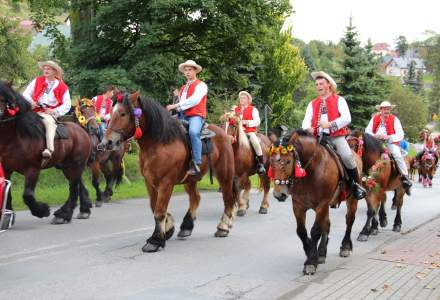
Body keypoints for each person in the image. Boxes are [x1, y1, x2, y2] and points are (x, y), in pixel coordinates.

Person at [302, 71, 366, 200]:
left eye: (321, 83)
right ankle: (298, 185)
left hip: (336, 137)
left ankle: (355, 186)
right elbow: (306, 120)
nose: (318, 86)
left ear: (329, 85)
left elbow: (347, 118)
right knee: (302, 155)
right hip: (317, 137)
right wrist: (306, 128)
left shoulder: (339, 100)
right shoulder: (312, 103)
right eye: (317, 84)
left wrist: (330, 125)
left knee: (347, 156)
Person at [22, 61, 71, 163]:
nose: (45, 70)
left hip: (49, 113)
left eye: (48, 69)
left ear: (54, 71)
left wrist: (54, 110)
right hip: (34, 110)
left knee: (48, 122)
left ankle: (49, 149)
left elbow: (67, 105)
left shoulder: (62, 87)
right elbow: (26, 94)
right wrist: (32, 102)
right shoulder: (37, 80)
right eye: (44, 68)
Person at [166, 60, 207, 176]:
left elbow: (194, 100)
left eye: (190, 70)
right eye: (185, 70)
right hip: (182, 115)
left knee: (193, 132)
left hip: (196, 115)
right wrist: (174, 109)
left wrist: (175, 105)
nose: (187, 72)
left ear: (195, 71)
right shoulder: (183, 87)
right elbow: (182, 103)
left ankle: (196, 163)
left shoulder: (201, 85)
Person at [365, 101, 412, 194]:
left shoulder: (395, 119)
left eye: (388, 108)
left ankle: (405, 177)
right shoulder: (374, 119)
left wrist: (389, 137)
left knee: (397, 155)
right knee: (364, 153)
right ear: (381, 110)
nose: (387, 110)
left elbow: (400, 134)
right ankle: (362, 175)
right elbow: (367, 130)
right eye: (385, 108)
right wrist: (375, 136)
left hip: (389, 142)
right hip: (375, 142)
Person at [232, 91, 265, 174]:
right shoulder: (235, 109)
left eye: (244, 98)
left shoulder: (253, 109)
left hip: (249, 132)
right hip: (236, 132)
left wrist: (247, 122)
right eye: (240, 98)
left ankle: (261, 164)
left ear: (248, 100)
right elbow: (231, 120)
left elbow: (257, 121)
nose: (241, 100)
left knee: (255, 142)